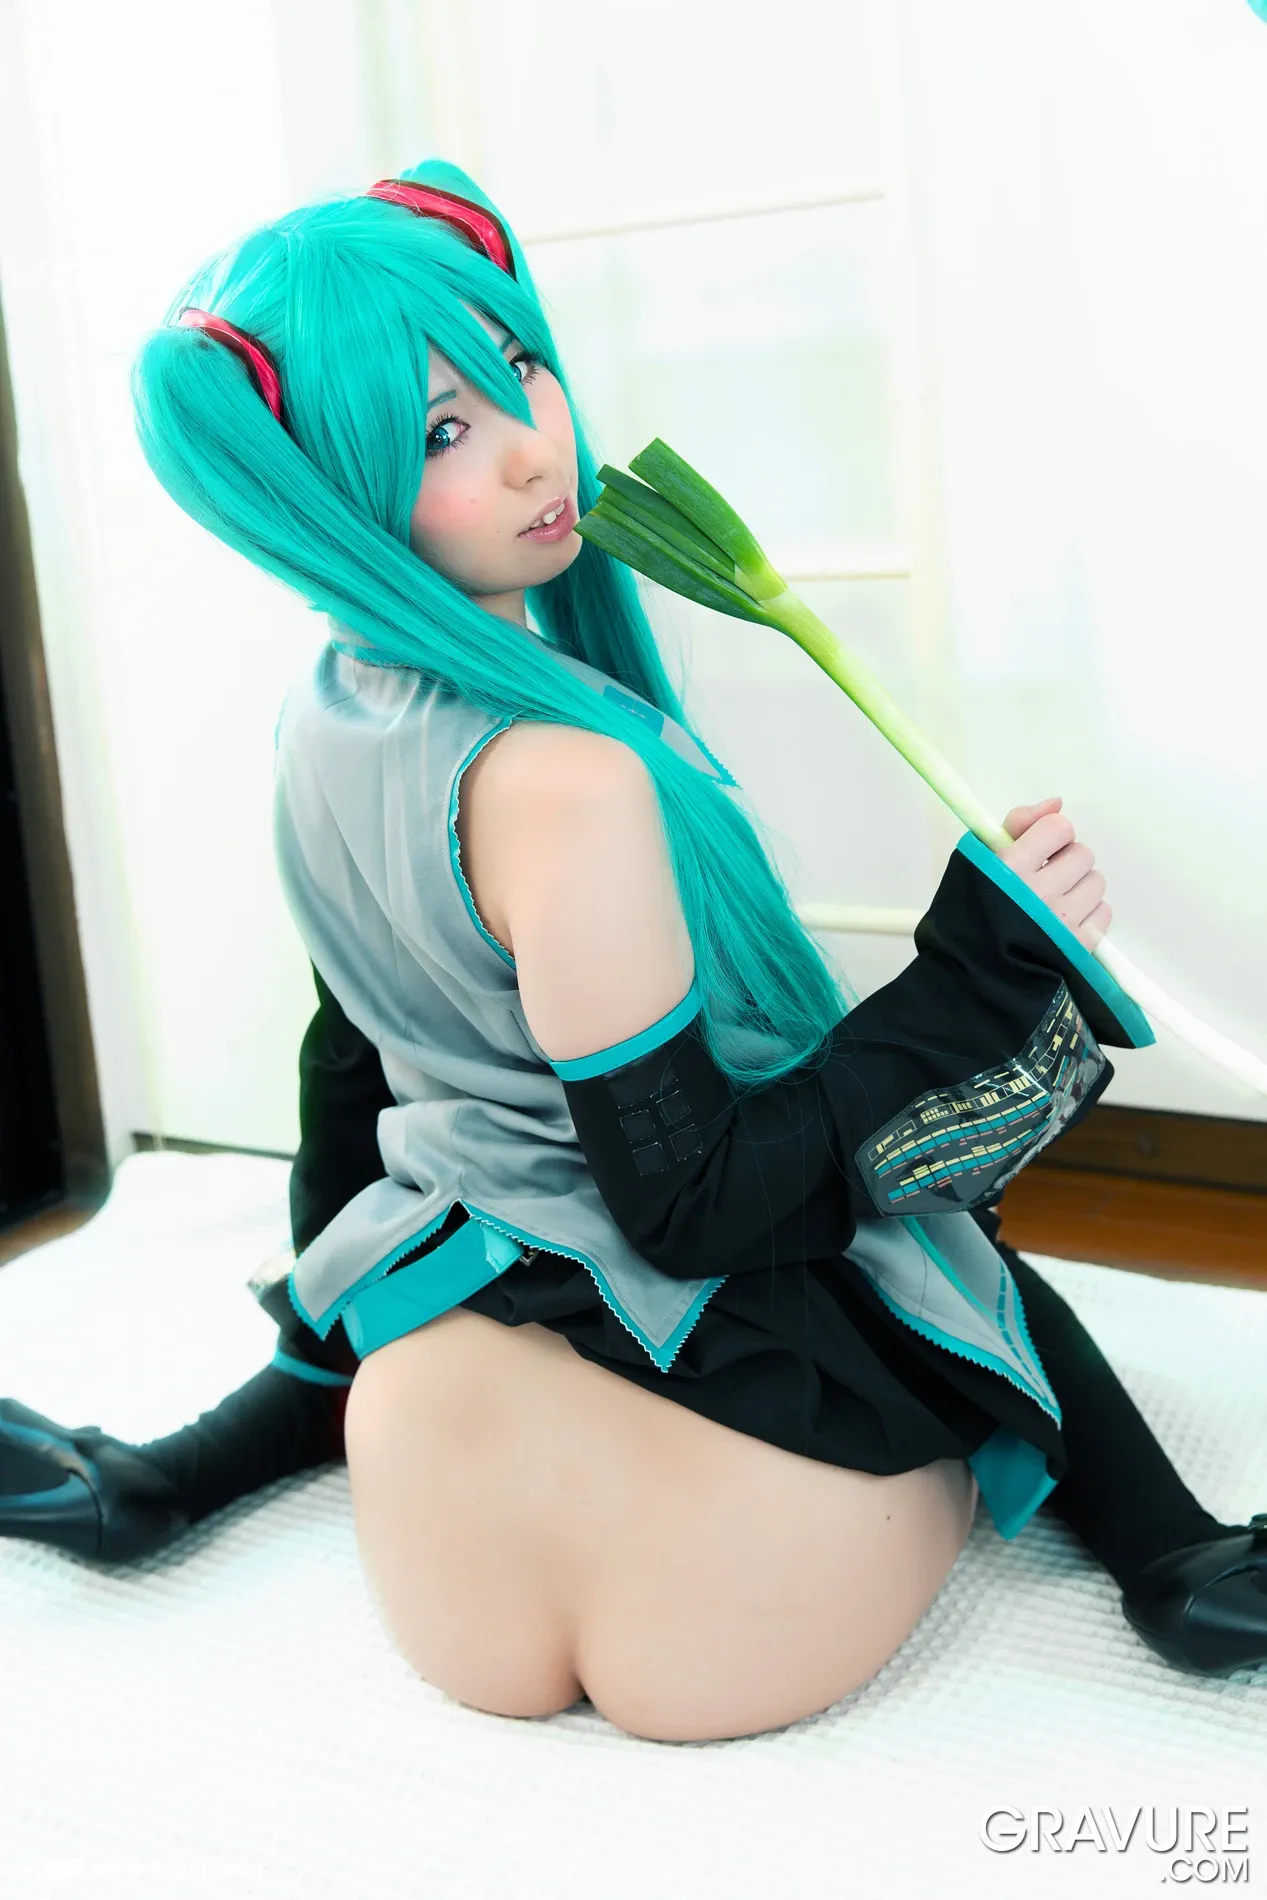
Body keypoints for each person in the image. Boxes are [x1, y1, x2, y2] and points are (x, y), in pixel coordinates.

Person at [2, 157, 1264, 1739]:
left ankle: (164, 1478)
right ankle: (1175, 1564)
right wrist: (978, 966)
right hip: (736, 1561)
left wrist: (331, 1304)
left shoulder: (322, 716)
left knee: (424, 1237)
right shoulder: (566, 781)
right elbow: (696, 1205)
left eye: (517, 368)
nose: (535, 447)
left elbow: (352, 1064)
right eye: (438, 434)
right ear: (324, 492)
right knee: (948, 1254)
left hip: (453, 1455)